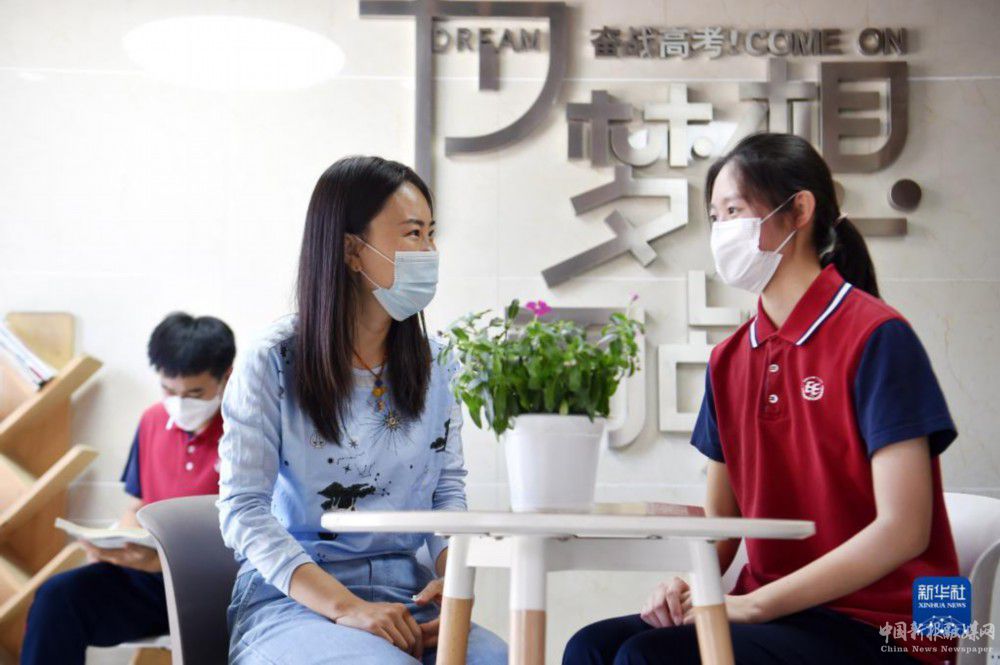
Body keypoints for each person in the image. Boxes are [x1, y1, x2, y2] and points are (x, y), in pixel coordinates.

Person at [563, 132, 960, 665]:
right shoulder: (729, 359)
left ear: (799, 210)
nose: (722, 230)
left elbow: (905, 530)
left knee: (649, 657)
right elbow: (722, 525)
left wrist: (753, 606)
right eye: (715, 217)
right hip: (781, 613)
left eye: (735, 211)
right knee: (590, 646)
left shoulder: (878, 337)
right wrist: (687, 583)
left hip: (894, 627)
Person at [218, 155, 508, 664]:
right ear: (352, 250)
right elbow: (243, 511)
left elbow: (446, 492)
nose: (430, 252)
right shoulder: (273, 360)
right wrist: (347, 607)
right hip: (293, 600)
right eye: (413, 233)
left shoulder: (438, 361)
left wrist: (453, 581)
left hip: (407, 595)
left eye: (432, 234)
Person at [21, 312, 235, 665]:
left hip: (218, 585)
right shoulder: (152, 420)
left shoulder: (245, 429)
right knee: (57, 597)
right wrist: (115, 544)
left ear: (226, 376)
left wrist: (161, 563)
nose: (180, 403)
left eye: (195, 393)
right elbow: (139, 504)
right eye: (169, 390)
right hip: (152, 581)